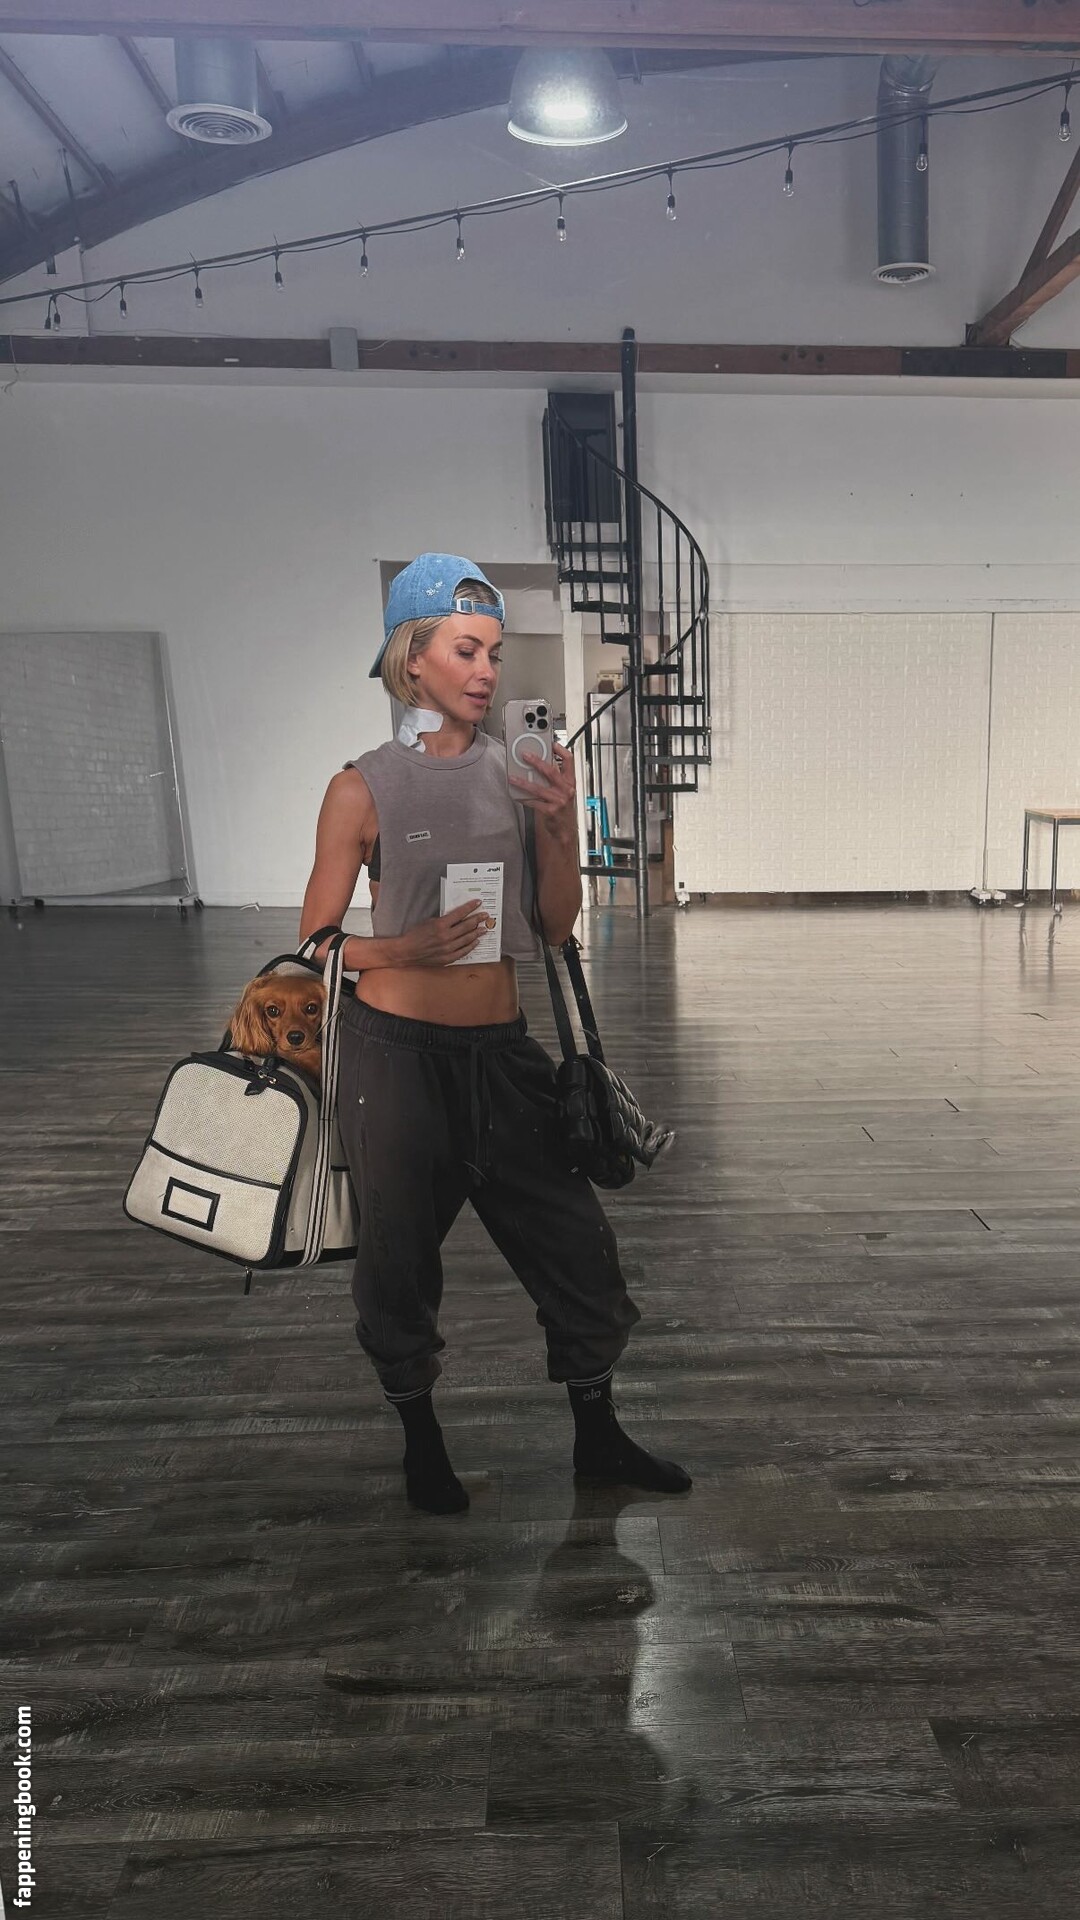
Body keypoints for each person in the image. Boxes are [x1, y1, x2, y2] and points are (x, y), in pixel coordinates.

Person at [299, 553, 692, 1514]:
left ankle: (598, 1439)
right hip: (395, 1063)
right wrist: (404, 947)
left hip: (504, 1053)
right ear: (413, 660)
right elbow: (312, 945)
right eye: (466, 651)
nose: (486, 672)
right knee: (397, 1266)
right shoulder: (360, 788)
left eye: (494, 653)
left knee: (579, 1250)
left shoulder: (523, 772)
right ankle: (421, 1444)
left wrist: (556, 825)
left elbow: (554, 926)